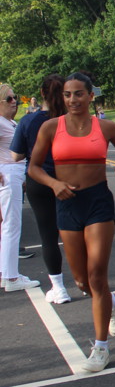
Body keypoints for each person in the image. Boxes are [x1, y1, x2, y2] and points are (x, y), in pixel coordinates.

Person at [28, 72, 115, 372]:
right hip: (67, 204)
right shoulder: (51, 127)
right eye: (67, 94)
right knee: (81, 282)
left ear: (91, 96)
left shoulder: (106, 127)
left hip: (97, 202)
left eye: (78, 94)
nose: (73, 99)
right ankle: (112, 302)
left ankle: (101, 348)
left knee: (97, 274)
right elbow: (34, 167)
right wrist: (54, 184)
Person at [10, 74, 70, 301]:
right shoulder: (71, 119)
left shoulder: (29, 121)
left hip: (39, 179)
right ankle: (86, 280)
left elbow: (16, 155)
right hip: (69, 178)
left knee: (48, 236)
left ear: (42, 93)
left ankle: (59, 287)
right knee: (75, 232)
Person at [0, 83, 37, 293]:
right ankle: (12, 277)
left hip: (13, 174)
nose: (14, 102)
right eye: (9, 99)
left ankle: (5, 273)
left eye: (14, 97)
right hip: (8, 174)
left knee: (8, 225)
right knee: (11, 226)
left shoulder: (9, 122)